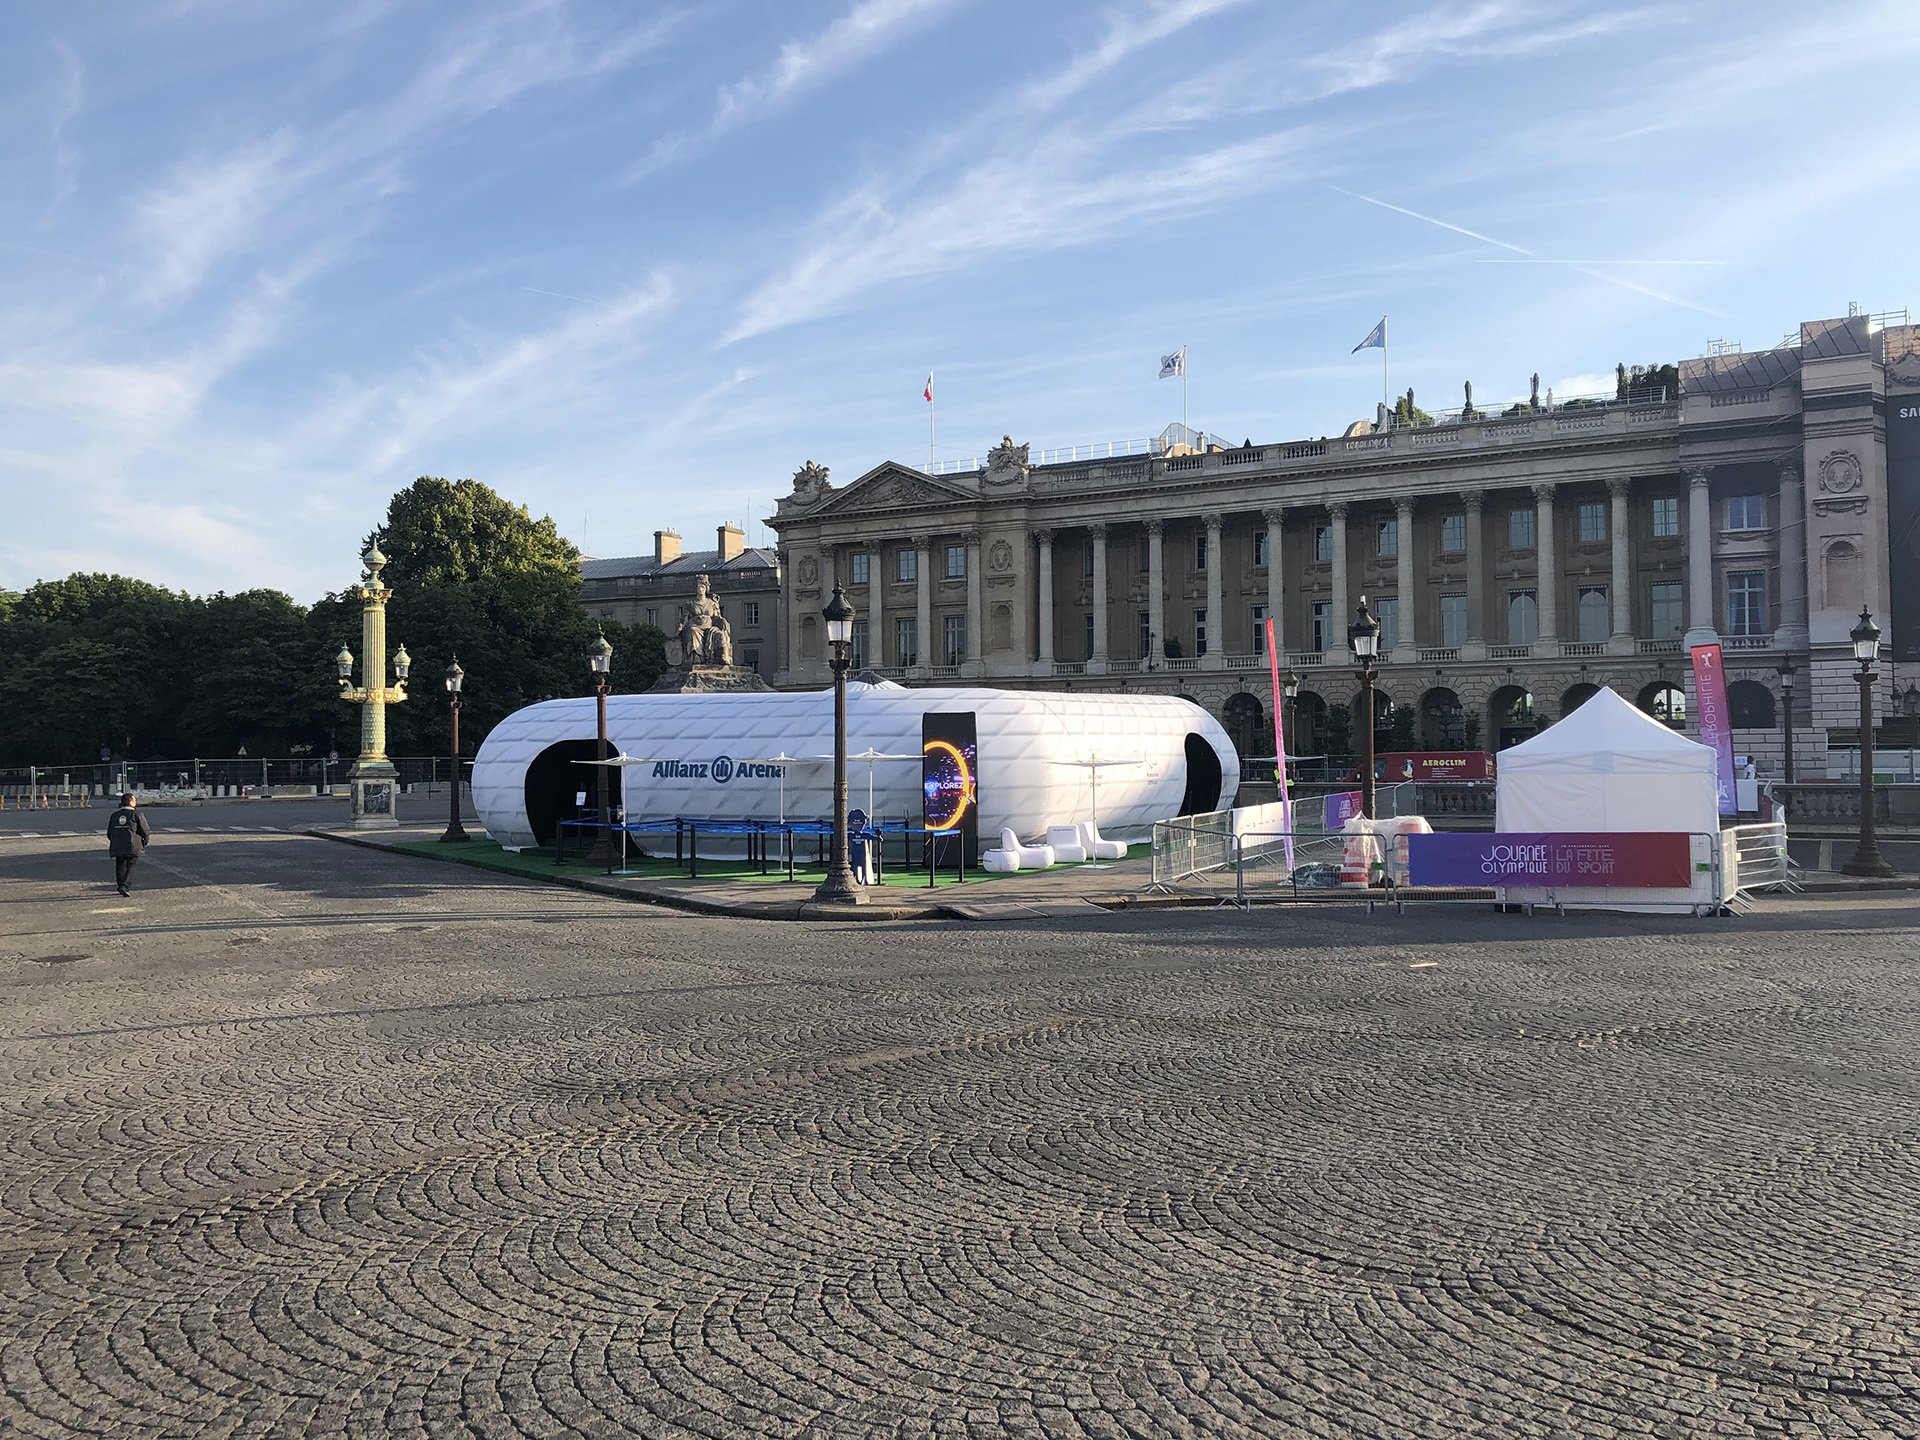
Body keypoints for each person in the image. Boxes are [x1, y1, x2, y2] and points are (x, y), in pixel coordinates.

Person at [106, 793, 151, 896]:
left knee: (120, 866)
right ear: (131, 801)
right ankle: (125, 886)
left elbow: (109, 832)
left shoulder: (115, 815)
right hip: (133, 845)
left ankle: (120, 885)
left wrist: (114, 840)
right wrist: (144, 842)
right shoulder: (137, 814)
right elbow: (145, 830)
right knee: (130, 866)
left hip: (118, 845)